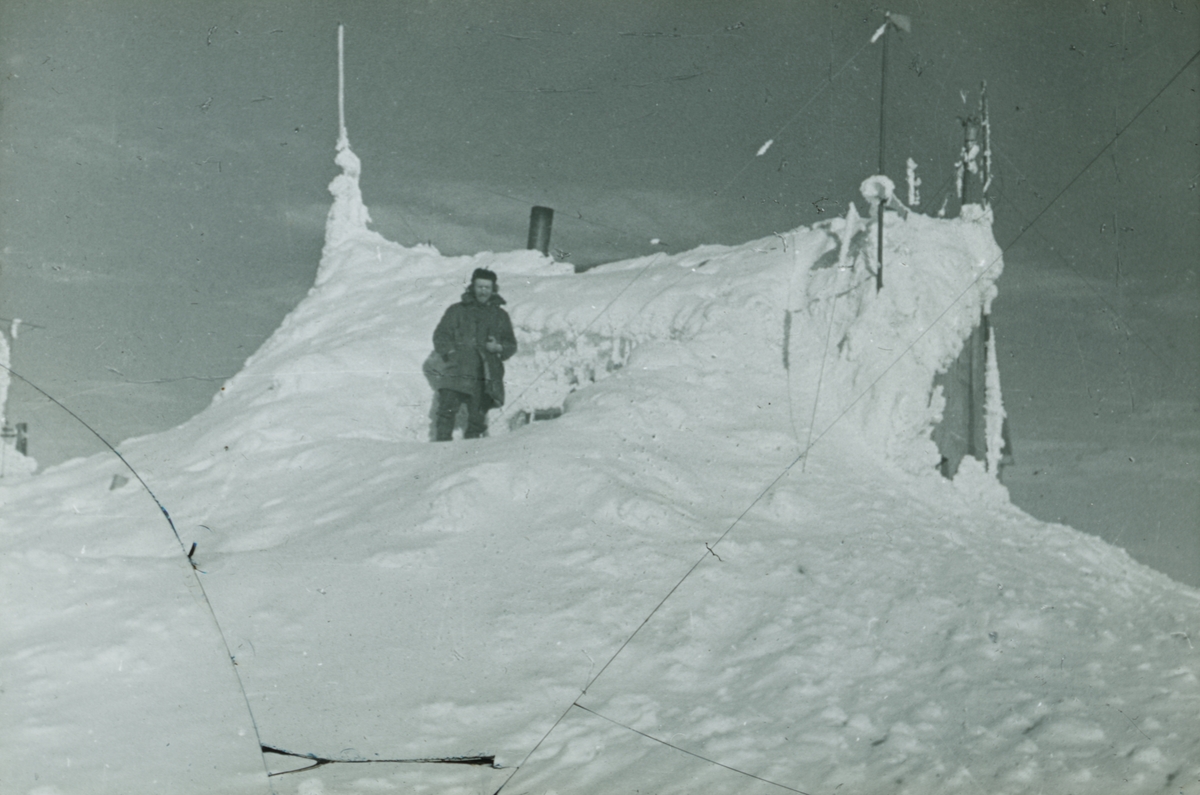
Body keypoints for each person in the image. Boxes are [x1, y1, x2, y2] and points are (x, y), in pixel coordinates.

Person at [431, 268, 517, 441]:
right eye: (479, 287)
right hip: (456, 371)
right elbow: (440, 336)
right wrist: (452, 352)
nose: (483, 291)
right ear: (472, 287)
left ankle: (469, 461)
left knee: (477, 421)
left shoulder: (500, 316)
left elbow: (511, 344)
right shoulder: (456, 311)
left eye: (487, 287)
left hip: (484, 375)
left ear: (494, 289)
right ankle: (438, 455)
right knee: (446, 415)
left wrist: (498, 348)